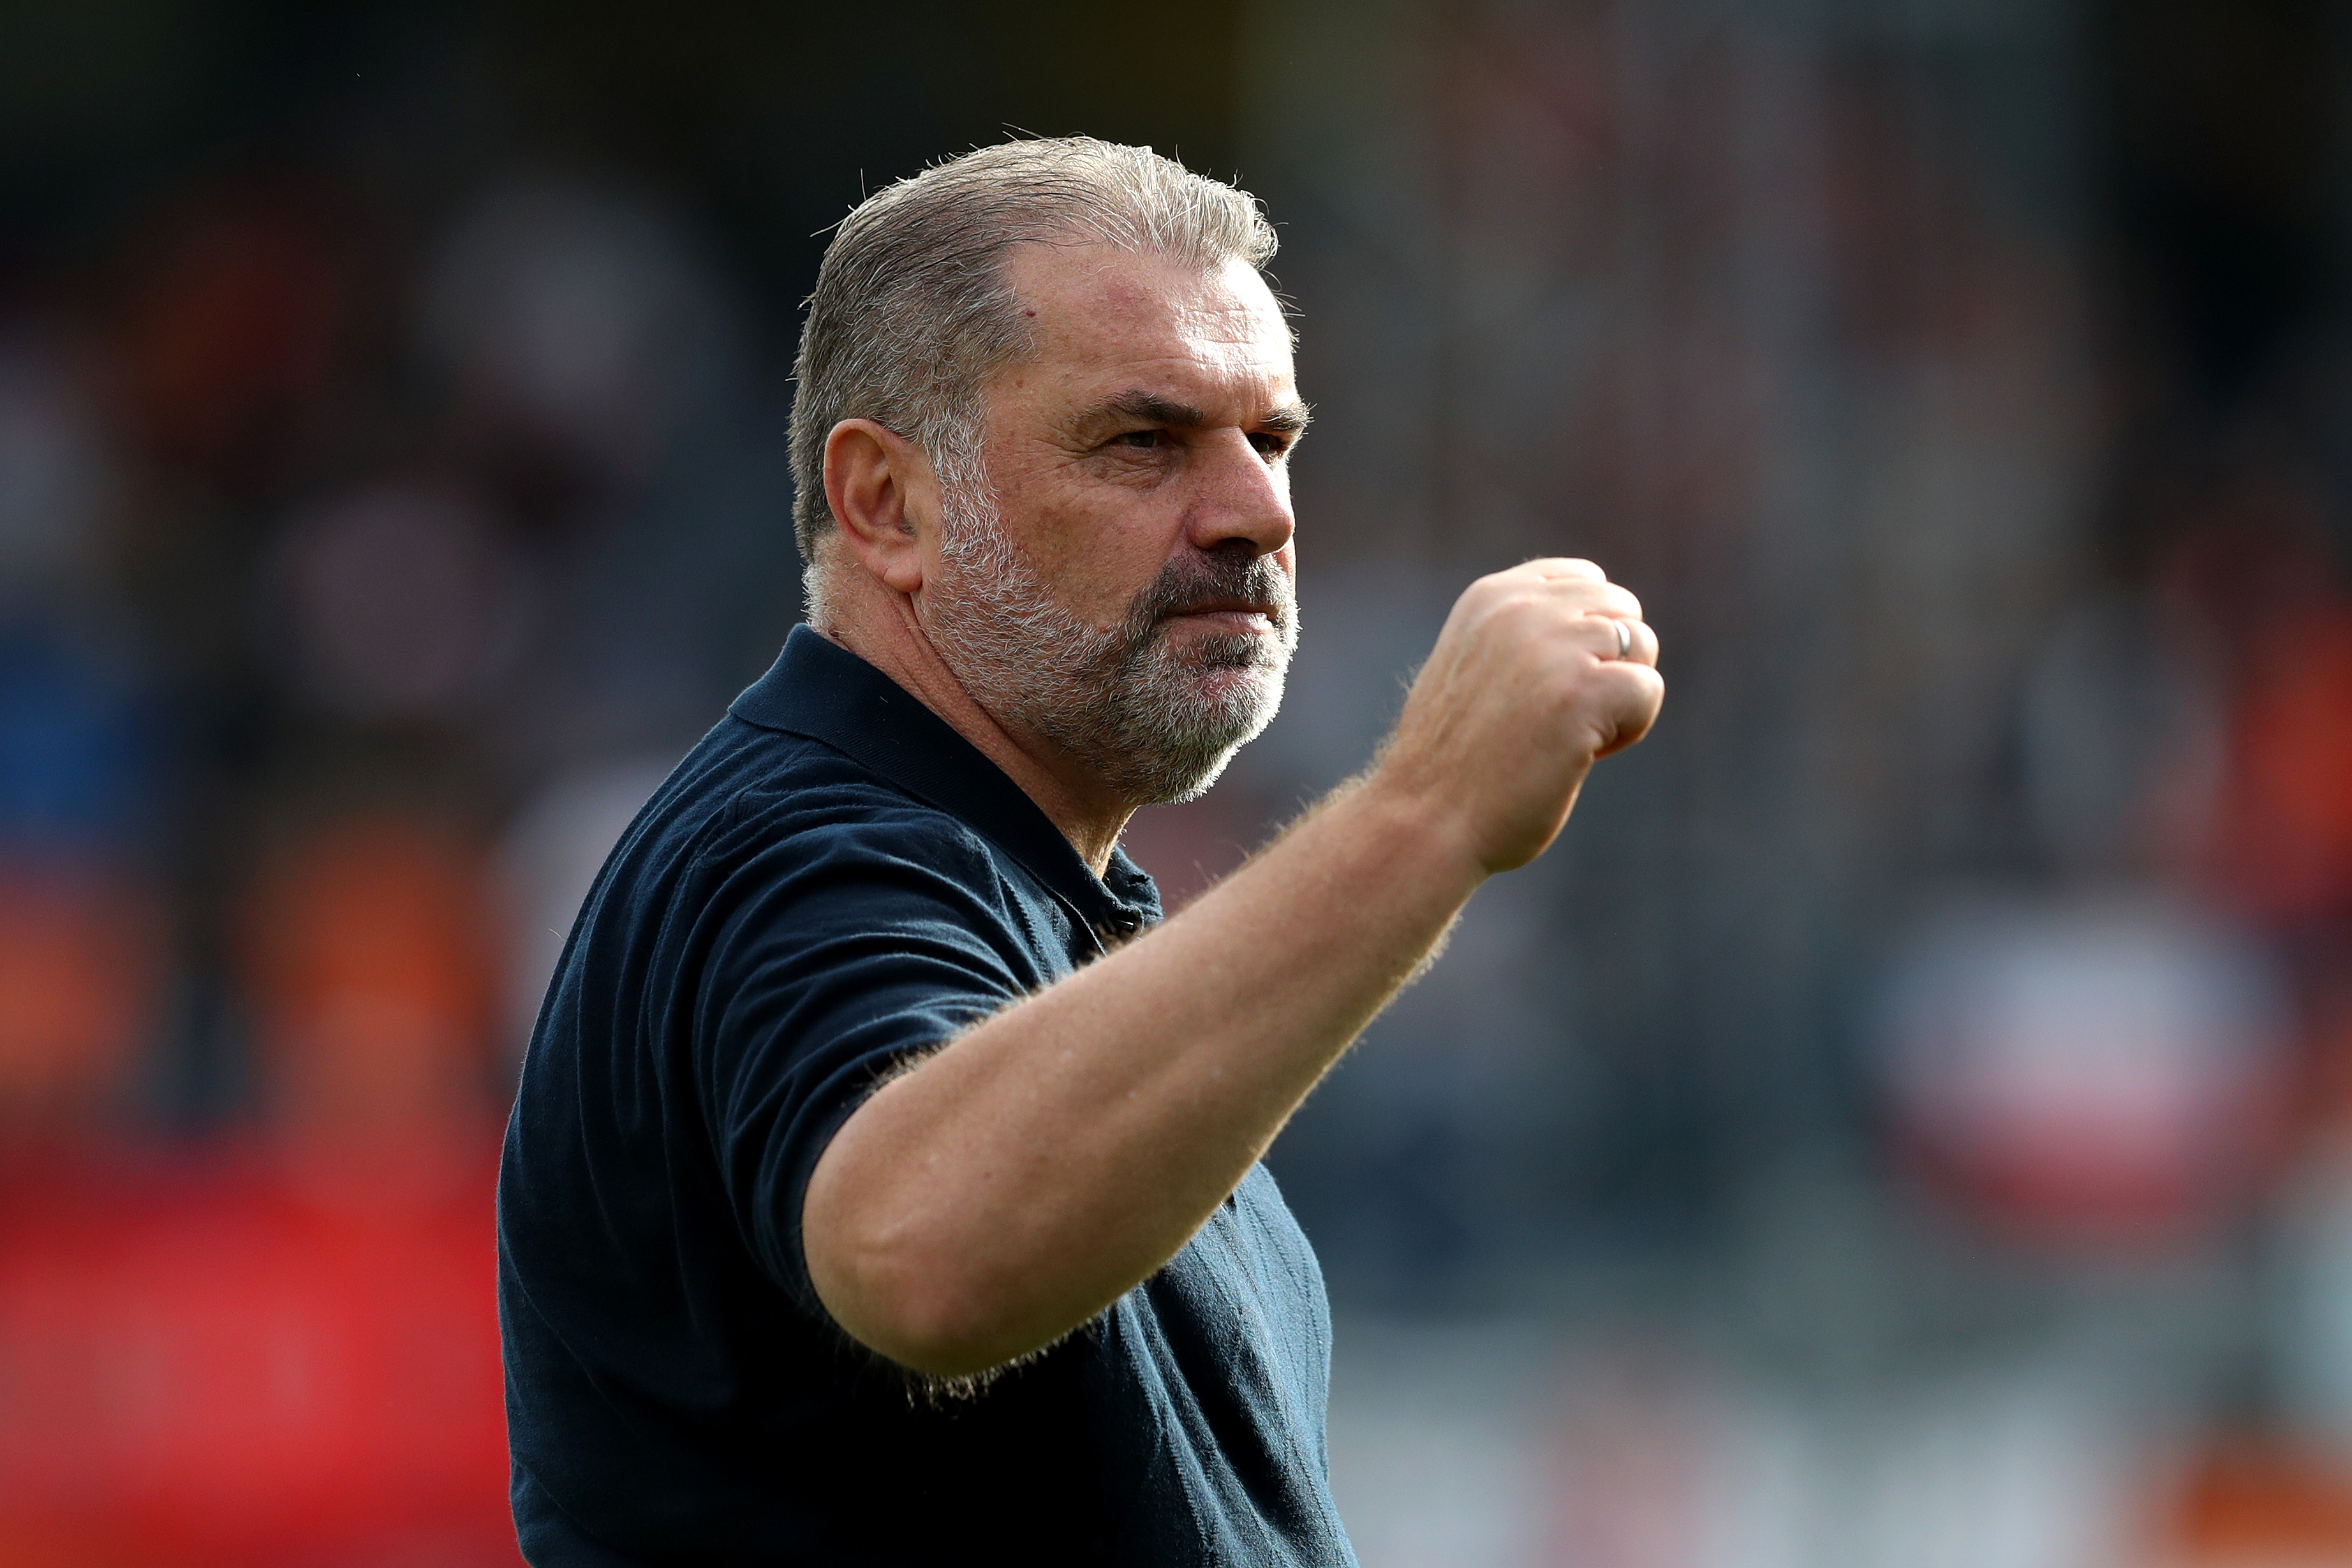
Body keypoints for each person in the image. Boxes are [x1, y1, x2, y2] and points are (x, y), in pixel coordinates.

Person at [497, 137, 1662, 1567]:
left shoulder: (1017, 896)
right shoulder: (800, 854)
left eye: (1271, 438)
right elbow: (921, 1248)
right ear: (885, 504)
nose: (1257, 512)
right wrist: (1422, 813)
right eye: (1141, 441)